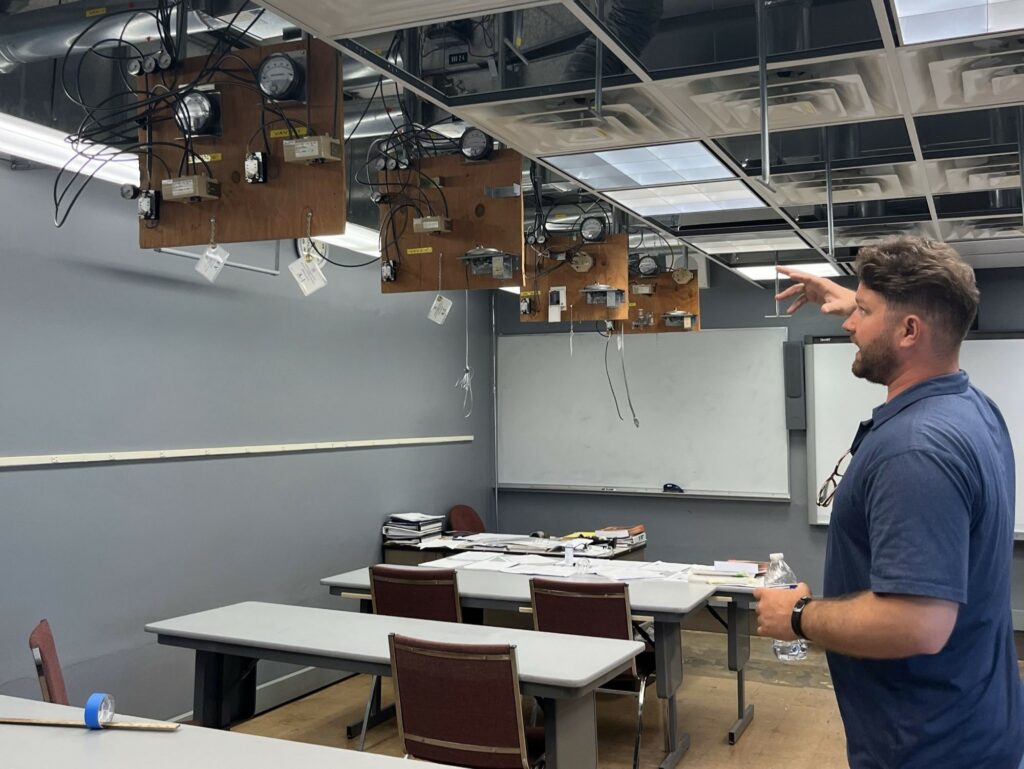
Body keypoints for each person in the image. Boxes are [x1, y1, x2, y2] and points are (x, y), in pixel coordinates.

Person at [753, 237, 1024, 769]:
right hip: (972, 723)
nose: (850, 325)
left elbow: (917, 625)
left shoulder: (916, 451)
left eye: (865, 313)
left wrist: (800, 616)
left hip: (929, 747)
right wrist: (857, 300)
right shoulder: (973, 405)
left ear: (908, 331)